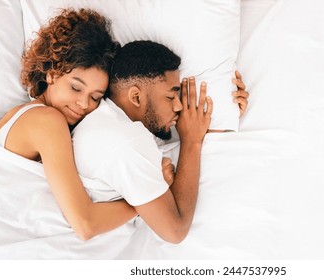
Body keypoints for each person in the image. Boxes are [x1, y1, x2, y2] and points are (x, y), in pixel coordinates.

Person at [72, 40, 249, 244]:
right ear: (136, 97)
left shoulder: (107, 122)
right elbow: (176, 231)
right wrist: (192, 141)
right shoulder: (127, 141)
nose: (179, 106)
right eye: (170, 96)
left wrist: (220, 120)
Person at [0, 8, 137, 240]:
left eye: (95, 97)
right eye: (76, 87)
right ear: (51, 72)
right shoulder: (48, 121)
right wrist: (141, 201)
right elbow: (86, 225)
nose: (83, 104)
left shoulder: (26, 114)